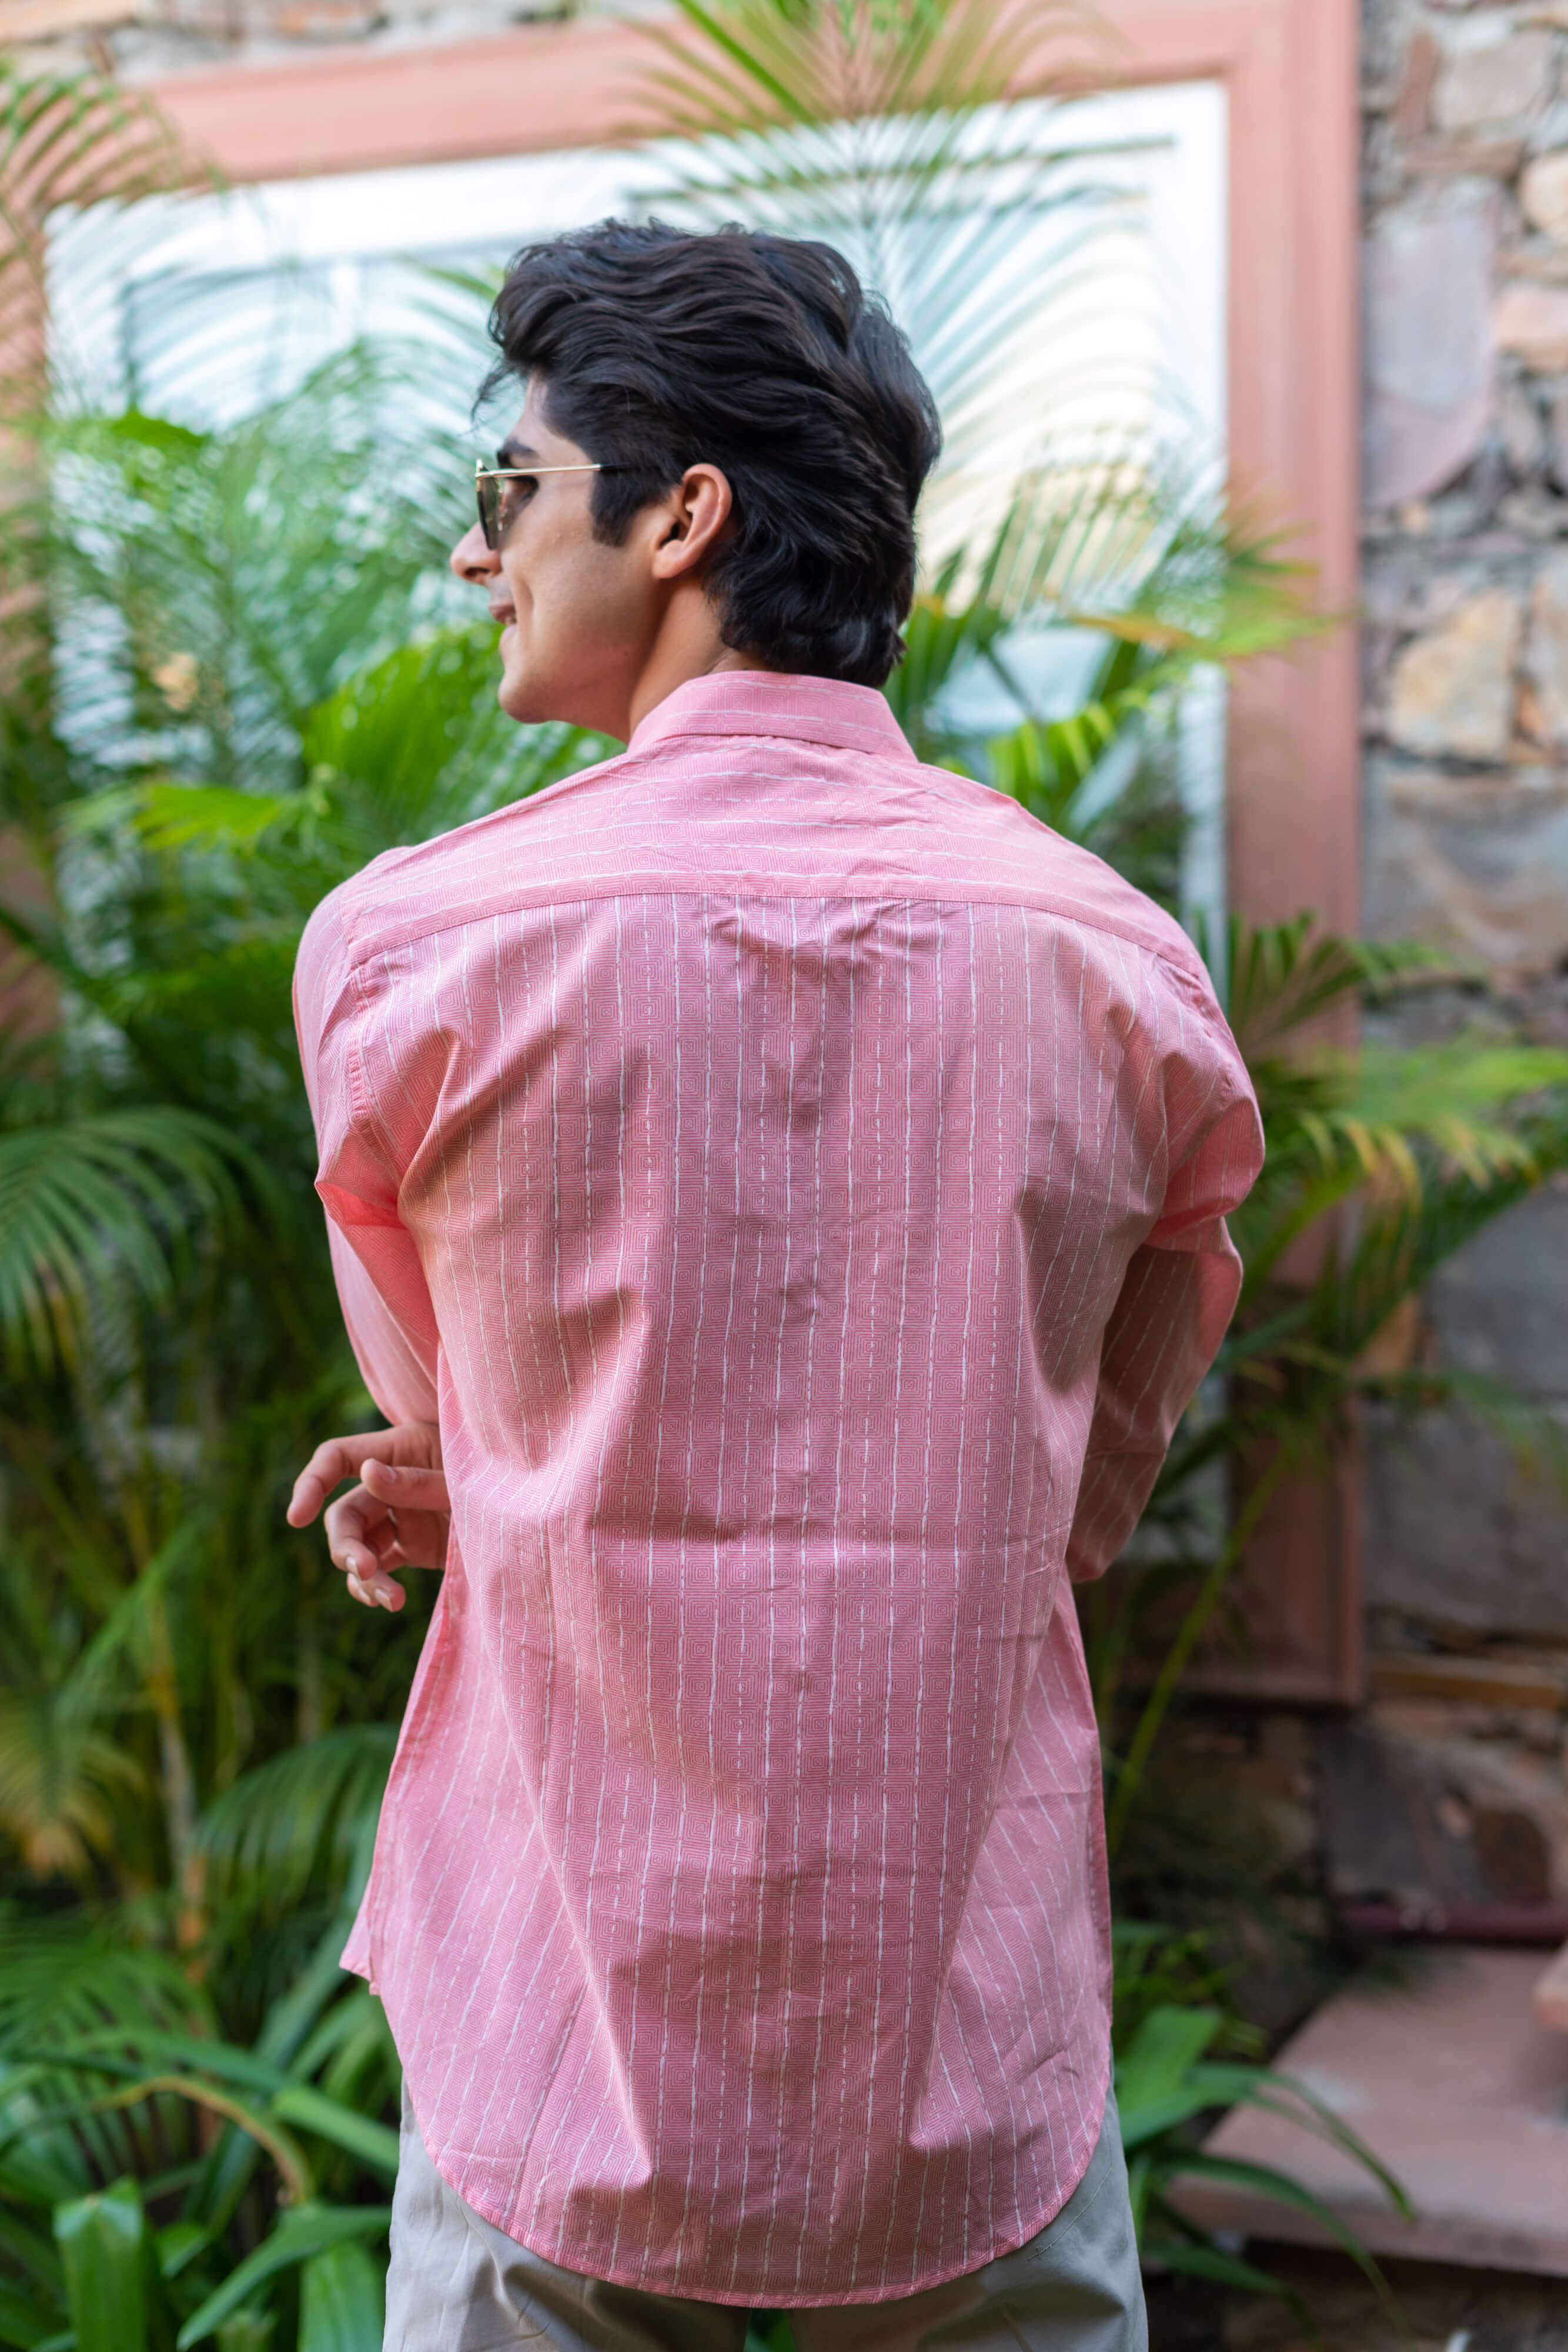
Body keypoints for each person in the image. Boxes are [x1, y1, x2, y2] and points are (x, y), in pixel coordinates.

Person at [286, 219, 1262, 2352]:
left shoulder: (409, 955)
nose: (480, 557)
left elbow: (462, 1430)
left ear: (682, 513)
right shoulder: (1112, 964)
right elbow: (1083, 1483)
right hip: (958, 2008)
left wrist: (492, 1489)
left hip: (562, 1996)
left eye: (510, 491)